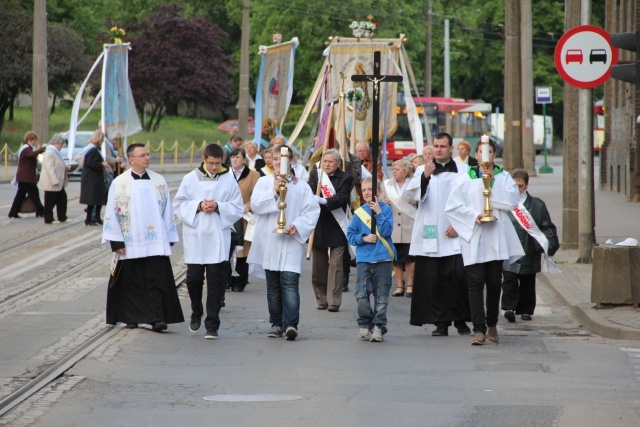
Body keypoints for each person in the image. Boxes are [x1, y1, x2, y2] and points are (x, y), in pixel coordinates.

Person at [445, 139, 524, 345]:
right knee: (475, 283)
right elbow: (453, 206)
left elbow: (512, 202)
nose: (485, 156)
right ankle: (478, 329)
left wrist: (492, 183)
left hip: (495, 235)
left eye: (489, 151)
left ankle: (492, 325)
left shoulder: (503, 176)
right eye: (481, 152)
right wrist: (473, 215)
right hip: (474, 234)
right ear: (477, 155)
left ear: (494, 154)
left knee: (493, 283)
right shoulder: (466, 177)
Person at [102, 143, 184, 332]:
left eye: (148, 154)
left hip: (154, 241)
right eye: (143, 155)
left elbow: (167, 210)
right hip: (130, 242)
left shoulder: (159, 181)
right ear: (131, 160)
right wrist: (116, 240)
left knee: (156, 279)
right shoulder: (120, 182)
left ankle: (157, 317)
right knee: (131, 281)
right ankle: (131, 317)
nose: (147, 157)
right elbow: (112, 212)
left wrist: (168, 235)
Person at [248, 144, 320, 340]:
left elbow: (312, 211)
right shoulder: (264, 183)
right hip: (270, 240)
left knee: (289, 282)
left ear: (291, 161)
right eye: (277, 159)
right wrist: (273, 191)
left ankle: (290, 324)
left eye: (284, 159)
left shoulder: (301, 185)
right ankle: (276, 323)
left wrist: (297, 225)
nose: (280, 162)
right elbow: (256, 205)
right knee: (273, 286)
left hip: (291, 241)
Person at [173, 143, 244, 339]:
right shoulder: (190, 179)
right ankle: (196, 311)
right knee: (194, 278)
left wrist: (219, 206)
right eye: (211, 163)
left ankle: (212, 323)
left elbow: (238, 208)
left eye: (218, 163)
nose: (214, 167)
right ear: (204, 159)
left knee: (216, 282)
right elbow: (178, 205)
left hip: (217, 237)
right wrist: (198, 206)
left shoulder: (228, 179)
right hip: (196, 237)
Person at [405, 132, 472, 337]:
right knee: (434, 281)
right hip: (431, 230)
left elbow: (470, 199)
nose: (439, 149)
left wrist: (459, 224)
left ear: (451, 148)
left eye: (443, 146)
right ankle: (440, 322)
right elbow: (413, 194)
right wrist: (425, 175)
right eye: (436, 146)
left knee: (458, 278)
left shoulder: (463, 170)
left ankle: (461, 320)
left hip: (455, 231)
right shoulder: (421, 170)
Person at [502, 169, 559, 322]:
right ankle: (510, 308)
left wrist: (547, 243)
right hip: (510, 249)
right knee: (509, 280)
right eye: (514, 186)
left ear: (526, 185)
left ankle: (526, 310)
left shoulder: (537, 205)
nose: (517, 189)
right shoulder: (504, 203)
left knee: (528, 282)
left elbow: (546, 226)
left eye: (520, 186)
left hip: (529, 248)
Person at [348, 177, 396, 342]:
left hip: (382, 259)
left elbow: (387, 230)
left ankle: (378, 326)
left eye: (371, 190)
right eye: (365, 190)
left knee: (381, 297)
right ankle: (365, 323)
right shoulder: (358, 213)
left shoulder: (386, 210)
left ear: (379, 192)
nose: (367, 193)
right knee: (361, 294)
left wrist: (379, 213)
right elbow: (351, 235)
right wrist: (364, 238)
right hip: (364, 259)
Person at [308, 148, 354, 312]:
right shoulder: (316, 175)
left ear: (337, 163)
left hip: (337, 227)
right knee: (319, 268)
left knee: (336, 267)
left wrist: (324, 200)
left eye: (330, 161)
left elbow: (343, 198)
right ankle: (321, 299)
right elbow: (309, 193)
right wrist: (314, 198)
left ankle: (334, 301)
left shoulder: (346, 178)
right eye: (325, 161)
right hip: (319, 225)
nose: (327, 164)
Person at [381, 159, 417, 298]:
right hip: (394, 227)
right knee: (396, 258)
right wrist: (383, 203)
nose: (394, 171)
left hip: (410, 225)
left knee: (409, 258)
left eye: (397, 169)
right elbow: (381, 201)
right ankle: (399, 286)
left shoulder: (414, 184)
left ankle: (410, 285)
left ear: (405, 171)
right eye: (394, 169)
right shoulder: (387, 185)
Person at [228, 147, 260, 292]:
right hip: (228, 217)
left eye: (237, 157)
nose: (235, 160)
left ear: (244, 159)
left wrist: (249, 205)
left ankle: (240, 281)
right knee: (227, 249)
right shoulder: (225, 174)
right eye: (232, 157)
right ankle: (227, 280)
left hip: (245, 218)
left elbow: (259, 196)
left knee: (243, 250)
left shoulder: (254, 175)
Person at [8, 131, 45, 219]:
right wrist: (41, 150)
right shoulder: (26, 149)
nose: (35, 141)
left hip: (23, 177)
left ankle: (13, 212)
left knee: (20, 196)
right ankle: (41, 211)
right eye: (34, 140)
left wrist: (38, 150)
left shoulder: (28, 148)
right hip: (26, 177)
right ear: (29, 139)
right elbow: (30, 154)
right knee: (35, 195)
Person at [80, 130, 111, 226]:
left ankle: (96, 216)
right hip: (91, 179)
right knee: (92, 200)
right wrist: (101, 164)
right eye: (101, 139)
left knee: (98, 198)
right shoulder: (92, 150)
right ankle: (89, 219)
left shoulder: (93, 149)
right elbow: (90, 163)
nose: (102, 141)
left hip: (95, 178)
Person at [38, 135, 69, 224]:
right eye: (61, 145)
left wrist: (64, 167)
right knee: (50, 201)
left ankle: (62, 217)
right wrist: (54, 180)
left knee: (62, 199)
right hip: (51, 182)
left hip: (58, 182)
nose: (61, 147)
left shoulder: (56, 152)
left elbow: (57, 164)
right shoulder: (50, 152)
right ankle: (49, 218)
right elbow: (49, 167)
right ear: (57, 143)